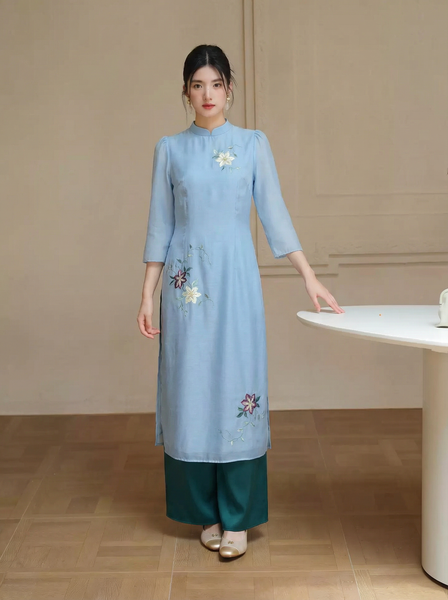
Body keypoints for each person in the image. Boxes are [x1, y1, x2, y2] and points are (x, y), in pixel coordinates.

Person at [137, 44, 344, 559]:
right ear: (186, 91)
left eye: (216, 84)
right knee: (190, 390)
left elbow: (275, 214)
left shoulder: (252, 144)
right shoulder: (170, 149)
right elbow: (160, 227)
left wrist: (309, 277)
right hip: (186, 290)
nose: (207, 94)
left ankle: (238, 518)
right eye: (197, 85)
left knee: (236, 386)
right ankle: (205, 512)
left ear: (229, 89)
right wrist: (146, 296)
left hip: (235, 283)